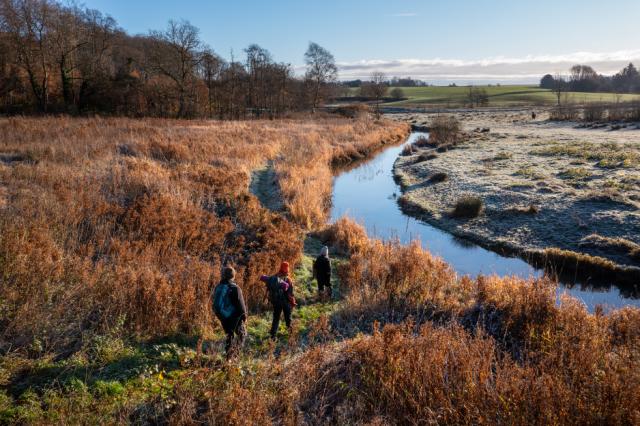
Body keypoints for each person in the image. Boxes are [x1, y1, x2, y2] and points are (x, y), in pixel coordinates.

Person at [212, 266, 247, 358]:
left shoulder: (218, 286)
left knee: (229, 335)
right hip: (235, 316)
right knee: (242, 334)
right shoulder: (235, 288)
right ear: (233, 276)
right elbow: (241, 305)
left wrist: (221, 315)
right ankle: (235, 355)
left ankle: (228, 357)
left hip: (223, 316)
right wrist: (244, 317)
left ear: (223, 276)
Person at [260, 261, 296, 340]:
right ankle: (291, 335)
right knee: (288, 318)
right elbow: (290, 294)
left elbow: (268, 288)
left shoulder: (274, 277)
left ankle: (273, 336)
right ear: (287, 269)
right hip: (285, 303)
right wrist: (293, 302)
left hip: (276, 302)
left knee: (276, 318)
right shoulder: (288, 280)